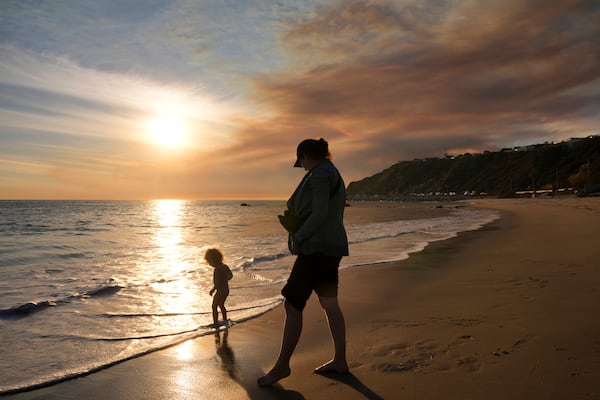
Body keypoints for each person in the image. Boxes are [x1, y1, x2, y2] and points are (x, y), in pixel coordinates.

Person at [258, 138, 350, 387]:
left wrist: (299, 237)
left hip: (317, 249)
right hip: (331, 247)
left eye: (302, 162)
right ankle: (340, 361)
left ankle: (281, 367)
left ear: (306, 156)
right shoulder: (331, 172)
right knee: (329, 303)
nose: (303, 166)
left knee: (293, 303)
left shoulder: (320, 174)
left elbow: (319, 213)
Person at [205, 248, 233, 328]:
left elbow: (217, 283)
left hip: (220, 291)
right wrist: (226, 279)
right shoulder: (225, 266)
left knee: (214, 306)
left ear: (213, 260)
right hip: (226, 290)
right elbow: (231, 275)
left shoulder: (217, 269)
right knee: (221, 305)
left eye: (209, 262)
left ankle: (216, 323)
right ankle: (225, 319)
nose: (209, 264)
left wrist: (213, 290)